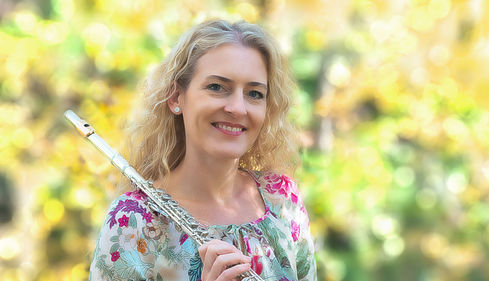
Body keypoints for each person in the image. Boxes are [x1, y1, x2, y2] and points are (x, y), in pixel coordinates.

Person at [88, 19, 317, 281]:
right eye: (217, 87)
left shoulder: (282, 199)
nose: (238, 108)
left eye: (254, 94)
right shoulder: (132, 223)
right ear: (176, 98)